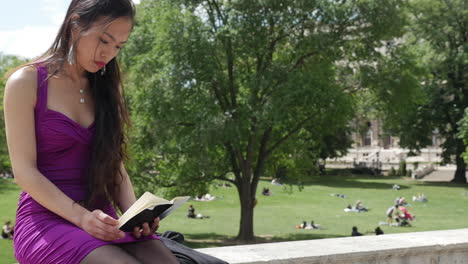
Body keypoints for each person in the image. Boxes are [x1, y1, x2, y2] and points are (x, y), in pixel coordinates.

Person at [3, 1, 179, 263]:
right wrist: (82, 217)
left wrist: (134, 216)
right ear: (75, 25)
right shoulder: (26, 83)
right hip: (46, 220)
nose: (109, 53)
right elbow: (25, 172)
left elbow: (114, 165)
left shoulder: (107, 89)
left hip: (103, 219)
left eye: (118, 46)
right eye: (104, 40)